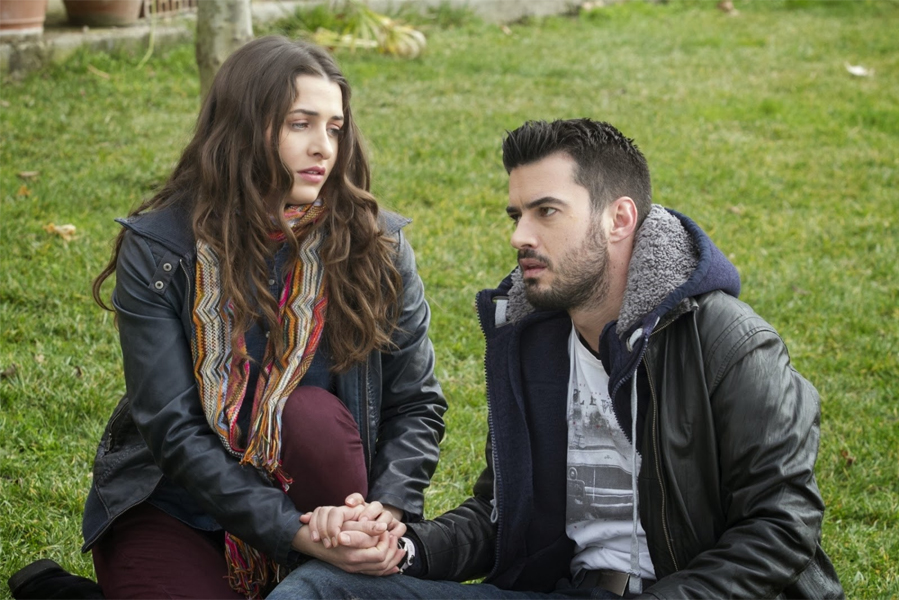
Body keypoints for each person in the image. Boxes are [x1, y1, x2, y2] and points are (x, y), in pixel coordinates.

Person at [268, 119, 844, 599]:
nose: (520, 235)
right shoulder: (532, 342)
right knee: (321, 587)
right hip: (566, 590)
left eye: (546, 212)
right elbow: (499, 513)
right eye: (516, 214)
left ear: (619, 219)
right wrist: (402, 547)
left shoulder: (728, 343)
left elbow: (781, 528)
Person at [12, 36, 446, 600]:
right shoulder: (161, 250)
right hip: (180, 506)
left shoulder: (375, 245)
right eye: (299, 124)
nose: (323, 147)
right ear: (243, 128)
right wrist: (294, 535)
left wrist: (385, 512)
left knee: (309, 415)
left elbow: (416, 401)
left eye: (335, 128)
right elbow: (172, 428)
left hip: (328, 502)